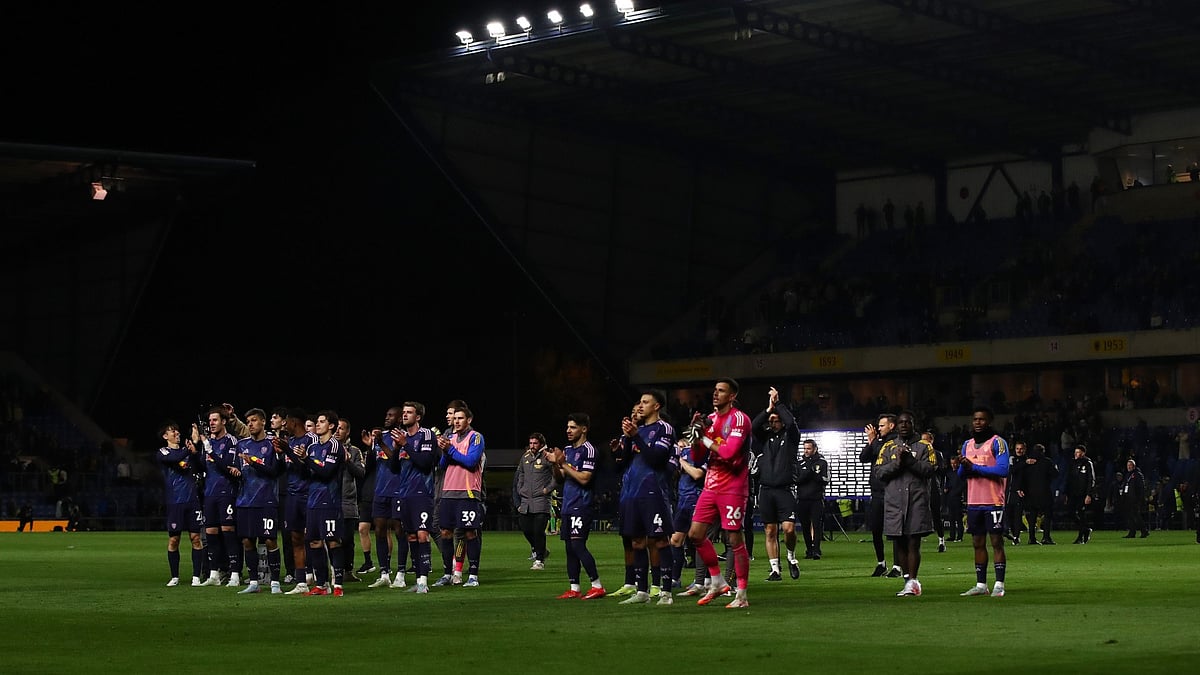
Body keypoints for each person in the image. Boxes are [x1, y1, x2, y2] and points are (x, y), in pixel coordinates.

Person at [688, 378, 754, 608]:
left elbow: (729, 452)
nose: (716, 394)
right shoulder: (710, 420)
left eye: (721, 390)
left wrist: (704, 438)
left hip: (733, 487)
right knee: (695, 535)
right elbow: (697, 458)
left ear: (732, 396)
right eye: (715, 390)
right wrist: (696, 438)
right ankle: (717, 580)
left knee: (734, 539)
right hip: (711, 485)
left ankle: (742, 595)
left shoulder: (739, 419)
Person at [613, 390, 678, 605]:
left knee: (659, 540)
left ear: (657, 406)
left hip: (653, 492)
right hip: (632, 493)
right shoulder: (636, 430)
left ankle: (666, 592)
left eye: (645, 402)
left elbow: (657, 459)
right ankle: (641, 591)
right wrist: (620, 448)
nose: (640, 406)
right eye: (639, 402)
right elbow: (623, 464)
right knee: (637, 541)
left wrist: (636, 437)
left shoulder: (664, 429)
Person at [876, 410, 937, 597]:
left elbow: (930, 469)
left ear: (913, 424)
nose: (904, 425)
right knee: (899, 542)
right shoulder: (888, 447)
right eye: (901, 422)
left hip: (916, 499)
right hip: (895, 501)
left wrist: (910, 461)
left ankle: (913, 579)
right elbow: (879, 472)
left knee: (913, 541)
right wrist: (897, 464)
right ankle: (907, 581)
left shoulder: (924, 446)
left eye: (907, 422)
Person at [548, 413, 606, 600]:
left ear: (584, 429)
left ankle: (597, 585)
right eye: (567, 427)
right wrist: (556, 465)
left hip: (582, 505)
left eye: (573, 427)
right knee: (569, 548)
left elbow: (584, 478)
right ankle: (574, 588)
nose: (568, 430)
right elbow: (559, 479)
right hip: (568, 505)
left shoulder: (589, 450)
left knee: (578, 545)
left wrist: (563, 462)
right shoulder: (567, 450)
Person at [957, 406, 1011, 598]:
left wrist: (975, 467)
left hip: (993, 500)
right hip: (974, 501)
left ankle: (999, 584)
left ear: (989, 421)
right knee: (977, 542)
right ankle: (981, 584)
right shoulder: (967, 444)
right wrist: (963, 466)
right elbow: (962, 475)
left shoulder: (998, 442)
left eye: (981, 419)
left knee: (996, 541)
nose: (977, 423)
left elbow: (1003, 470)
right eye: (975, 419)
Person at [751, 386, 801, 581]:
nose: (772, 422)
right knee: (770, 530)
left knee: (788, 529)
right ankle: (774, 569)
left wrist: (778, 404)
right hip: (766, 490)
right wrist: (768, 410)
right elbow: (754, 426)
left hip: (785, 489)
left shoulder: (791, 438)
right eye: (770, 421)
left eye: (775, 420)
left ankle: (791, 556)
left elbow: (791, 422)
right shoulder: (766, 439)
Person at [388, 402, 438, 594]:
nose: (405, 415)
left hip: (421, 494)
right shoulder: (401, 437)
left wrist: (405, 445)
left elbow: (425, 463)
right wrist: (395, 448)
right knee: (410, 536)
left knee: (422, 534)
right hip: (404, 493)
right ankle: (418, 580)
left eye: (409, 412)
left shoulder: (426, 435)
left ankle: (424, 582)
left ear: (418, 417)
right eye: (404, 412)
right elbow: (394, 468)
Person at [294, 410, 346, 596]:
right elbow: (307, 473)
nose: (318, 424)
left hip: (329, 502)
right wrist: (298, 457)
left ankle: (338, 584)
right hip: (313, 501)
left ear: (331, 425)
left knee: (332, 541)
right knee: (314, 542)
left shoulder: (335, 446)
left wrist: (307, 459)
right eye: (317, 421)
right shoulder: (313, 447)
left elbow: (326, 472)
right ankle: (322, 585)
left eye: (322, 422)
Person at [233, 408, 284, 594]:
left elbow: (275, 471)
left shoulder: (272, 443)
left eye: (254, 420)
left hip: (266, 500)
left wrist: (253, 462)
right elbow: (238, 470)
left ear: (263, 422)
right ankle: (254, 582)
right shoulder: (242, 444)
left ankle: (275, 583)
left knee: (270, 540)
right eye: (248, 421)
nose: (251, 424)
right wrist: (236, 473)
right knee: (247, 541)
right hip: (245, 501)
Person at [435, 403, 486, 587]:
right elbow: (442, 466)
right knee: (445, 532)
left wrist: (450, 450)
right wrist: (444, 451)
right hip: (448, 492)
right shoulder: (450, 437)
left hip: (468, 493)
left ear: (469, 420)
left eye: (460, 418)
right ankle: (448, 574)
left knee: (470, 533)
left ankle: (473, 575)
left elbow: (472, 461)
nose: (456, 421)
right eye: (454, 418)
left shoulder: (476, 437)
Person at [194, 407, 242, 587]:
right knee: (211, 533)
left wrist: (209, 449)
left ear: (223, 421)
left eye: (215, 420)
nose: (212, 424)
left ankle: (235, 574)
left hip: (226, 493)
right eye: (210, 421)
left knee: (229, 532)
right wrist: (195, 451)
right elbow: (202, 467)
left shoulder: (231, 442)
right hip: (209, 494)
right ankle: (214, 574)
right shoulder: (208, 443)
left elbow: (228, 468)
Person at [362, 406, 407, 589]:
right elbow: (372, 464)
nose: (386, 418)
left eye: (391, 415)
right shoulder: (380, 436)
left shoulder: (403, 437)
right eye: (386, 414)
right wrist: (371, 446)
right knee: (379, 530)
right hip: (380, 490)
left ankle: (401, 573)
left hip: (398, 490)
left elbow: (395, 462)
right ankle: (384, 573)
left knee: (399, 531)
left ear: (399, 419)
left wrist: (379, 443)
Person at [156, 420, 204, 587]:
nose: (176, 433)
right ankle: (175, 576)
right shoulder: (163, 452)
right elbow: (175, 458)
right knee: (174, 540)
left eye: (177, 431)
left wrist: (195, 450)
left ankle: (196, 577)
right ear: (165, 436)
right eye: (172, 431)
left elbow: (200, 465)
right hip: (174, 501)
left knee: (196, 538)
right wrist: (190, 448)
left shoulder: (188, 452)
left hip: (192, 500)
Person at [280, 410, 316, 594]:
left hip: (309, 494)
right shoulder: (291, 442)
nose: (284, 425)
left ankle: (324, 577)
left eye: (286, 421)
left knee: (314, 538)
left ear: (294, 421)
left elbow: (307, 469)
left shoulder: (312, 440)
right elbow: (287, 468)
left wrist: (287, 451)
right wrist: (281, 452)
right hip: (292, 495)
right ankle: (301, 581)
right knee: (295, 538)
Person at [861, 413, 901, 577]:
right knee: (876, 529)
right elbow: (863, 458)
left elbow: (884, 456)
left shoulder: (896, 441)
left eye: (882, 425)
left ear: (891, 426)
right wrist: (872, 442)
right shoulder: (877, 442)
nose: (878, 428)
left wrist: (873, 441)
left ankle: (897, 566)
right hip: (877, 493)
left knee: (895, 531)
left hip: (892, 492)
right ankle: (881, 563)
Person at [672, 435, 709, 596]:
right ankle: (675, 578)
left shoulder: (695, 455)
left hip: (695, 498)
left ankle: (704, 579)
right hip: (682, 501)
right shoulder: (682, 456)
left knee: (698, 539)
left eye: (682, 445)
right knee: (675, 540)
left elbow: (697, 474)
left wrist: (681, 460)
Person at [515, 432, 555, 571]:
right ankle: (541, 549)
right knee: (526, 529)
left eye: (535, 443)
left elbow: (557, 475)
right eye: (531, 443)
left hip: (541, 500)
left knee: (538, 531)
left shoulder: (548, 457)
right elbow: (520, 474)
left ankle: (539, 560)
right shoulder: (525, 457)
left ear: (541, 444)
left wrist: (548, 489)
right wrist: (520, 489)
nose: (532, 446)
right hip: (526, 501)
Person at [335, 418, 366, 581]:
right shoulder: (328, 449)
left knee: (347, 539)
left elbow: (361, 473)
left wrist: (347, 462)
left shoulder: (354, 451)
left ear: (347, 432)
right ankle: (335, 571)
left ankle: (347, 571)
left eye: (342, 429)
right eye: (336, 428)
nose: (338, 431)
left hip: (347, 502)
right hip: (331, 500)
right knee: (333, 539)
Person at [795, 438, 830, 561]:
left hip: (816, 499)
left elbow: (826, 479)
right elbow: (795, 479)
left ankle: (816, 550)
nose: (806, 451)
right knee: (805, 526)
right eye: (804, 448)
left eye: (808, 448)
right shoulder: (799, 463)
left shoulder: (822, 462)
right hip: (802, 499)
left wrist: (815, 476)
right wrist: (806, 476)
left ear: (815, 449)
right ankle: (809, 549)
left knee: (816, 525)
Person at [1017, 443, 1058, 544]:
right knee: (1047, 515)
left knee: (1032, 516)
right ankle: (1046, 537)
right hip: (1044, 492)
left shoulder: (1028, 462)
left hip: (1030, 493)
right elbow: (1055, 474)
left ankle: (1031, 538)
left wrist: (1021, 488)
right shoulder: (1047, 462)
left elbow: (1022, 476)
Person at [1067, 444, 1098, 544]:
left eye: (1078, 452)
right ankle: (1086, 529)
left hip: (1083, 494)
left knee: (1081, 513)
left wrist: (1089, 494)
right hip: (1073, 493)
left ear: (1083, 453)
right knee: (1070, 512)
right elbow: (1069, 479)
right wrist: (1066, 493)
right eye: (1075, 452)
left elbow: (1091, 479)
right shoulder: (1072, 463)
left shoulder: (1088, 463)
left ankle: (1080, 537)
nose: (1076, 454)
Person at [923, 431, 948, 553]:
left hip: (933, 487)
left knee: (936, 515)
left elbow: (943, 471)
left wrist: (936, 468)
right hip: (920, 488)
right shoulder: (917, 453)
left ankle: (941, 540)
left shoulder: (937, 454)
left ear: (931, 441)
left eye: (926, 440)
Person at [1005, 441, 1028, 545]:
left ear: (1025, 449)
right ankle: (1010, 533)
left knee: (1018, 516)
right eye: (1018, 448)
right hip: (1010, 492)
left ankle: (1016, 536)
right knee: (1009, 515)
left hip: (1020, 493)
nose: (1019, 450)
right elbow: (1012, 470)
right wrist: (1024, 463)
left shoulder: (1026, 460)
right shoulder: (1012, 459)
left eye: (1021, 448)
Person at [1120, 459, 1150, 539]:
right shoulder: (1128, 475)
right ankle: (1132, 532)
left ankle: (1144, 530)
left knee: (1136, 516)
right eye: (1128, 465)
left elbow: (1141, 488)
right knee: (1130, 516)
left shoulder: (1138, 475)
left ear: (1134, 466)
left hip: (1135, 499)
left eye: (1130, 465)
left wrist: (1140, 499)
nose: (1129, 467)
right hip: (1128, 499)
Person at [943, 455, 965, 542]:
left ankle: (960, 536)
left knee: (958, 518)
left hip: (958, 497)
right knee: (951, 517)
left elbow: (963, 485)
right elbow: (946, 483)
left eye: (955, 463)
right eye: (952, 463)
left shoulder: (961, 472)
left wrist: (957, 492)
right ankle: (952, 536)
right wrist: (945, 488)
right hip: (950, 497)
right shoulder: (949, 473)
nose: (953, 465)